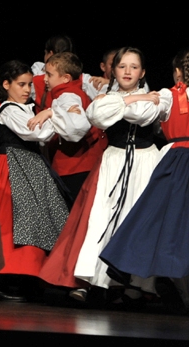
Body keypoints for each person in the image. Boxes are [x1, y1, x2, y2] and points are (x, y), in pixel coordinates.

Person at [62, 48, 171, 302]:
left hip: (145, 161)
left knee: (138, 220)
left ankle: (134, 285)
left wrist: (120, 103)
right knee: (102, 218)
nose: (128, 71)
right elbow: (97, 115)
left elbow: (142, 115)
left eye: (134, 67)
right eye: (122, 66)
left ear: (142, 72)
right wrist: (133, 99)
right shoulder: (120, 97)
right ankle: (94, 280)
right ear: (114, 70)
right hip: (114, 160)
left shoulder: (155, 98)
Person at [100, 49, 189, 311]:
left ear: (177, 72)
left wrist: (129, 97)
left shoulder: (169, 96)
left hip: (177, 163)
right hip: (177, 163)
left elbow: (140, 112)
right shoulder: (169, 96)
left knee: (164, 228)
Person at [0, 60, 71, 301]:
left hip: (32, 166)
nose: (27, 89)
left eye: (29, 84)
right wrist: (54, 116)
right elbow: (36, 132)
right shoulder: (9, 109)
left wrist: (48, 114)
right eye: (21, 84)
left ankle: (29, 279)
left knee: (37, 221)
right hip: (11, 167)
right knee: (11, 223)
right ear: (6, 85)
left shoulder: (29, 109)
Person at [37, 52, 106, 199]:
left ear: (66, 78)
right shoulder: (66, 94)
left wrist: (52, 113)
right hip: (77, 166)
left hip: (75, 167)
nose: (44, 79)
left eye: (49, 75)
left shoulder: (68, 96)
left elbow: (76, 128)